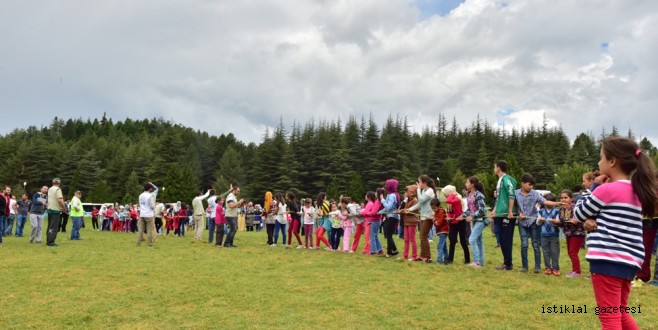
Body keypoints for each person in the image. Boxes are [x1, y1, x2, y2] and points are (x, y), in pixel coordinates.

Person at [574, 137, 657, 329]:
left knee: (610, 319)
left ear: (612, 162)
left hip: (607, 260)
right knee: (620, 313)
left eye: (601, 157)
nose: (598, 162)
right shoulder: (638, 192)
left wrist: (592, 187)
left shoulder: (606, 190)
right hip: (629, 263)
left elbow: (578, 213)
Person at [515, 173, 561, 273]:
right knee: (524, 244)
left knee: (535, 244)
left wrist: (557, 203)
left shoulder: (535, 193)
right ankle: (525, 266)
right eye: (529, 184)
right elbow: (516, 206)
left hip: (533, 222)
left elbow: (545, 202)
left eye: (532, 185)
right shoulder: (516, 193)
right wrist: (520, 213)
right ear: (522, 183)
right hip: (522, 222)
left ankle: (537, 267)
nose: (531, 187)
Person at [490, 160, 518, 271]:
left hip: (507, 214)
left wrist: (510, 211)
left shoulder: (506, 180)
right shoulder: (500, 180)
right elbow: (498, 198)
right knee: (500, 239)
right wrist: (494, 210)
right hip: (499, 213)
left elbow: (512, 194)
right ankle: (506, 262)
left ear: (498, 168)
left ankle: (508, 264)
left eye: (494, 167)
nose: (493, 169)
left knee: (506, 239)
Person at [405, 175, 437, 263]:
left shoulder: (430, 191)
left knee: (423, 236)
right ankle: (423, 256)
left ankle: (428, 257)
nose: (418, 184)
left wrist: (418, 190)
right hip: (423, 216)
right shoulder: (423, 191)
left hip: (428, 216)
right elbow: (420, 203)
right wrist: (410, 209)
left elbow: (422, 200)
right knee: (422, 236)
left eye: (419, 182)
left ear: (424, 182)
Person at [558, 190, 585, 278]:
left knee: (573, 252)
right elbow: (562, 221)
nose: (563, 199)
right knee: (570, 252)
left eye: (565, 197)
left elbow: (583, 219)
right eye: (561, 198)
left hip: (578, 232)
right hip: (568, 233)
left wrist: (577, 221)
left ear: (571, 199)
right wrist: (556, 222)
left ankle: (577, 271)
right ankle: (575, 270)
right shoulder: (561, 208)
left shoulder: (575, 208)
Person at [462, 176, 488, 268]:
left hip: (481, 221)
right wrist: (462, 216)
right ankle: (480, 262)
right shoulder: (469, 195)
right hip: (475, 221)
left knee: (472, 240)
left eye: (467, 182)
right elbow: (470, 209)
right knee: (479, 241)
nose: (466, 184)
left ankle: (476, 262)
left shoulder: (479, 195)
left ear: (472, 184)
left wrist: (471, 217)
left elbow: (482, 210)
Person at [443, 185, 470, 265]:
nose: (444, 195)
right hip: (453, 222)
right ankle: (450, 260)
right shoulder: (452, 199)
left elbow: (448, 200)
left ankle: (467, 259)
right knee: (452, 240)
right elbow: (450, 211)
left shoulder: (458, 198)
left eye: (445, 193)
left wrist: (453, 194)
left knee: (463, 241)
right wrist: (449, 217)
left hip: (461, 222)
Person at [536, 193, 561, 276]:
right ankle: (548, 268)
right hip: (543, 235)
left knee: (555, 252)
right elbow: (537, 223)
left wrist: (554, 221)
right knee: (545, 252)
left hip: (554, 235)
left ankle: (556, 268)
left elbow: (558, 222)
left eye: (552, 202)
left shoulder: (557, 211)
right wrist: (540, 220)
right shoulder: (541, 211)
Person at [398, 185, 419, 261]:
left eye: (407, 191)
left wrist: (402, 211)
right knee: (406, 239)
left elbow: (412, 211)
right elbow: (406, 209)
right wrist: (400, 211)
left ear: (412, 192)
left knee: (412, 239)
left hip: (412, 221)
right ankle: (405, 255)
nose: (406, 193)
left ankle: (414, 256)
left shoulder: (415, 200)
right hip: (406, 221)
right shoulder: (408, 200)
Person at [381, 179, 400, 257]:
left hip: (393, 217)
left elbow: (388, 207)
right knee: (389, 234)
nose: (385, 186)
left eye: (387, 184)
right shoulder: (391, 194)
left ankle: (389, 252)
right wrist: (380, 211)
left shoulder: (392, 195)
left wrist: (382, 199)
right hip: (391, 216)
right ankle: (394, 250)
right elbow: (386, 208)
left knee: (388, 235)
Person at [360, 190, 383, 255]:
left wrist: (363, 213)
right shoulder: (375, 202)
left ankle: (373, 251)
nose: (375, 194)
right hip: (374, 220)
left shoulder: (375, 202)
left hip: (373, 221)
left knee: (371, 236)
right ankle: (380, 250)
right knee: (375, 236)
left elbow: (372, 212)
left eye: (376, 193)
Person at [46, 178, 66, 247]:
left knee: (49, 226)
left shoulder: (49, 189)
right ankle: (51, 242)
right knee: (54, 227)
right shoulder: (58, 189)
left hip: (50, 209)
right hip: (55, 210)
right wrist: (64, 208)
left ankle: (48, 240)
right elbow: (60, 200)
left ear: (52, 182)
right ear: (59, 183)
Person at [137, 182, 158, 246]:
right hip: (149, 214)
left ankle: (138, 242)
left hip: (142, 214)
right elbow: (152, 206)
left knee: (141, 229)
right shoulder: (150, 196)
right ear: (150, 189)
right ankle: (149, 243)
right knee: (150, 229)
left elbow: (140, 205)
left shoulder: (140, 195)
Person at [431, 198, 449, 264]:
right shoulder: (436, 212)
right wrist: (434, 219)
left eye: (434, 208)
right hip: (441, 231)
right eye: (432, 208)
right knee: (443, 246)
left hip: (443, 231)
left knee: (439, 246)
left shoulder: (441, 212)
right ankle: (447, 258)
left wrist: (434, 220)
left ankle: (439, 260)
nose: (433, 210)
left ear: (439, 206)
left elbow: (439, 223)